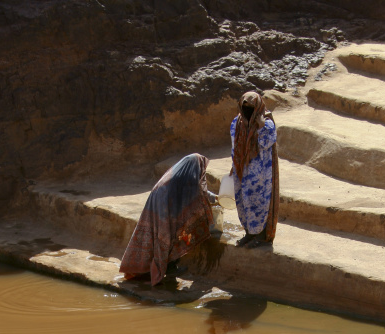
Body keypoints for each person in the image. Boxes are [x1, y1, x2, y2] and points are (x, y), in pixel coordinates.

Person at [120, 153, 217, 286]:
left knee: (156, 236)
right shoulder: (189, 176)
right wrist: (213, 200)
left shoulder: (178, 171)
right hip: (166, 207)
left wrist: (213, 196)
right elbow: (199, 193)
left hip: (156, 202)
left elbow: (200, 188)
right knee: (170, 236)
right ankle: (168, 269)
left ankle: (154, 268)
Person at [230, 91, 280, 249]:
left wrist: (261, 125)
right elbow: (234, 143)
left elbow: (267, 142)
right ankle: (249, 233)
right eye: (245, 107)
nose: (247, 110)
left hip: (261, 174)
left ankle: (261, 236)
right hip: (242, 170)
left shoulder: (267, 123)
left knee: (259, 203)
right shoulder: (237, 122)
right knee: (244, 202)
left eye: (251, 107)